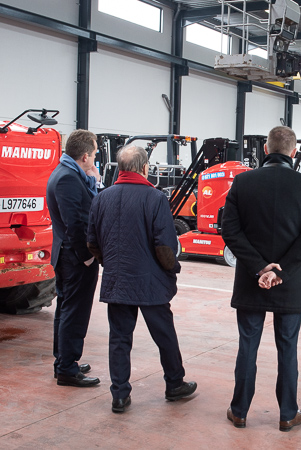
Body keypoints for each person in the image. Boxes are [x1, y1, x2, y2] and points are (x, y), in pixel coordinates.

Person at [221, 126, 301, 432]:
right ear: (293, 152)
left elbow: (230, 231)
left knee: (247, 346)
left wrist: (260, 268)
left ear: (266, 150)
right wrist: (280, 270)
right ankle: (288, 414)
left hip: (251, 280)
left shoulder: (243, 181)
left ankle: (239, 411)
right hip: (289, 283)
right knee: (287, 349)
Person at [86, 145, 197, 414]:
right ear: (144, 168)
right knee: (164, 335)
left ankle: (120, 395)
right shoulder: (156, 198)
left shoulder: (102, 198)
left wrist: (109, 264)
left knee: (119, 338)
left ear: (121, 169)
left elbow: (92, 242)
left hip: (117, 280)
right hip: (151, 281)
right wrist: (172, 270)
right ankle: (174, 384)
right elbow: (165, 247)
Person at [46, 129, 102, 387]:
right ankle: (67, 368)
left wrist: (94, 181)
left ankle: (64, 361)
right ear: (85, 156)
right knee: (75, 312)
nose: (96, 157)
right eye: (94, 154)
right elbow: (75, 224)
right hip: (75, 257)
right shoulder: (68, 178)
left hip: (67, 255)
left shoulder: (66, 172)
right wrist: (86, 257)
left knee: (66, 309)